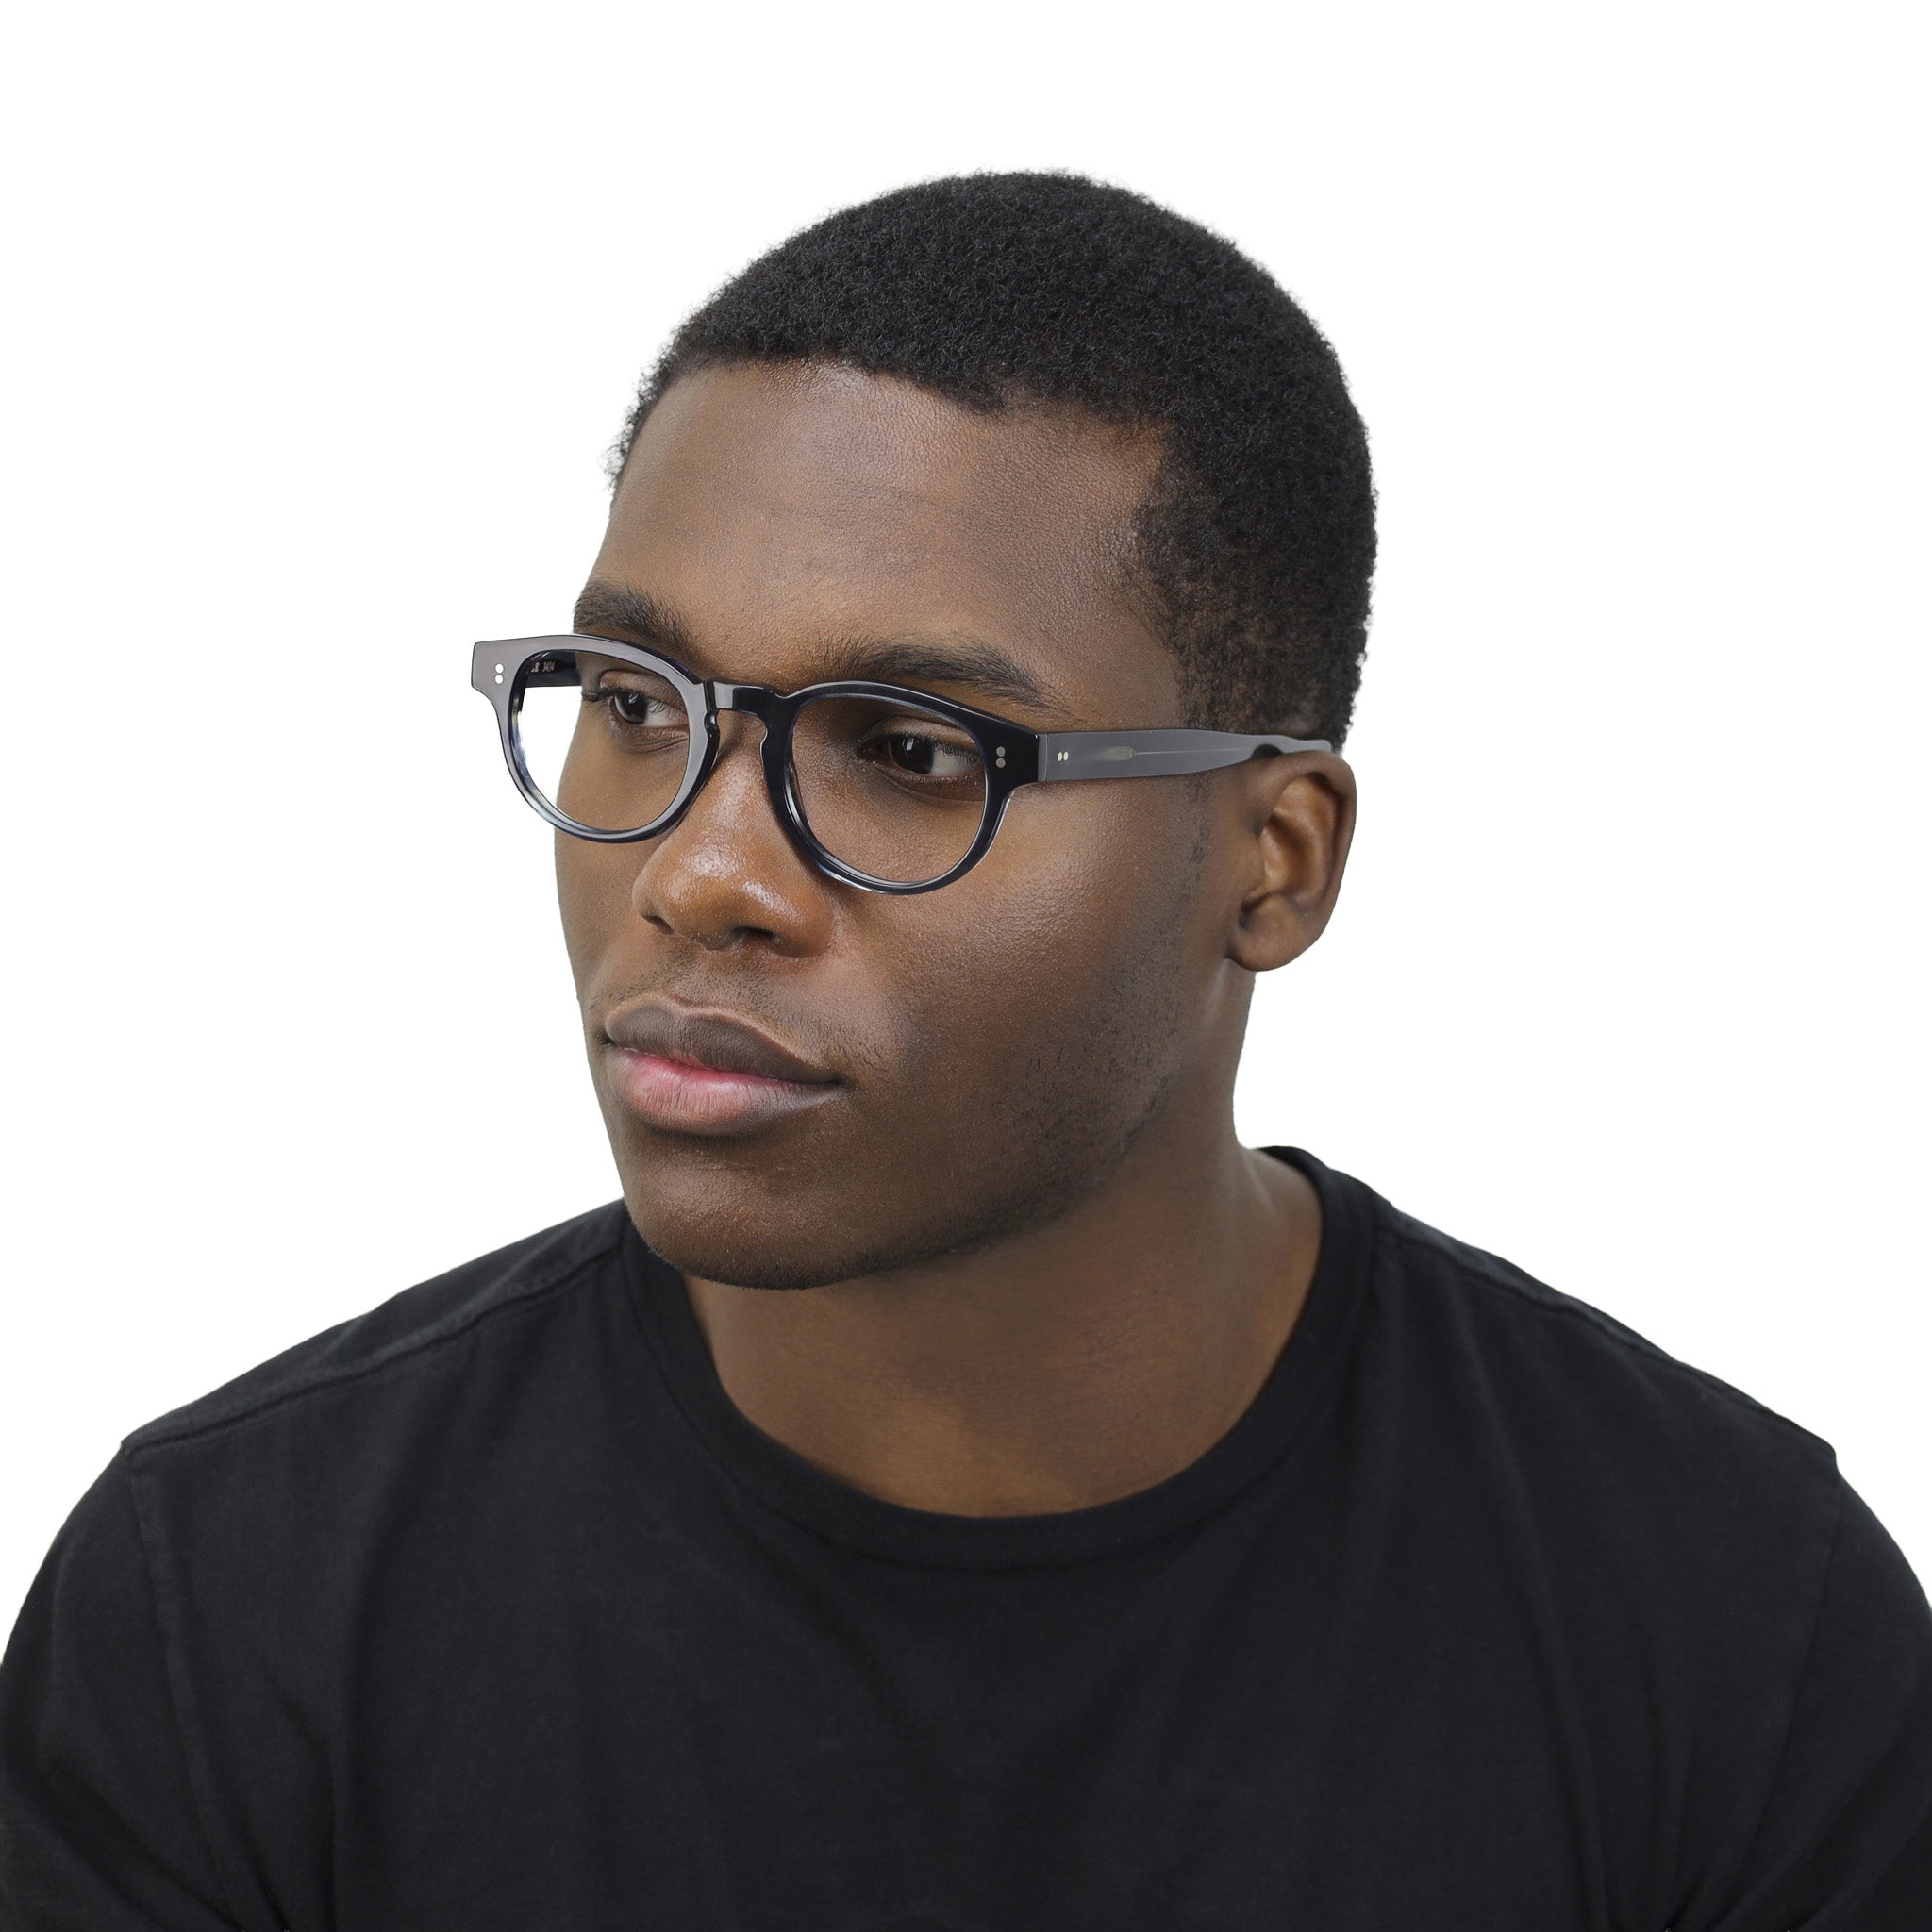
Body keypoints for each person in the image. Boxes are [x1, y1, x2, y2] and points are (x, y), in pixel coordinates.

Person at [2, 172, 1927, 1931]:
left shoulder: (1732, 1632)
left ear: (1272, 860)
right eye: (637, 703)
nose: (699, 874)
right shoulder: (225, 1615)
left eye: (914, 752)